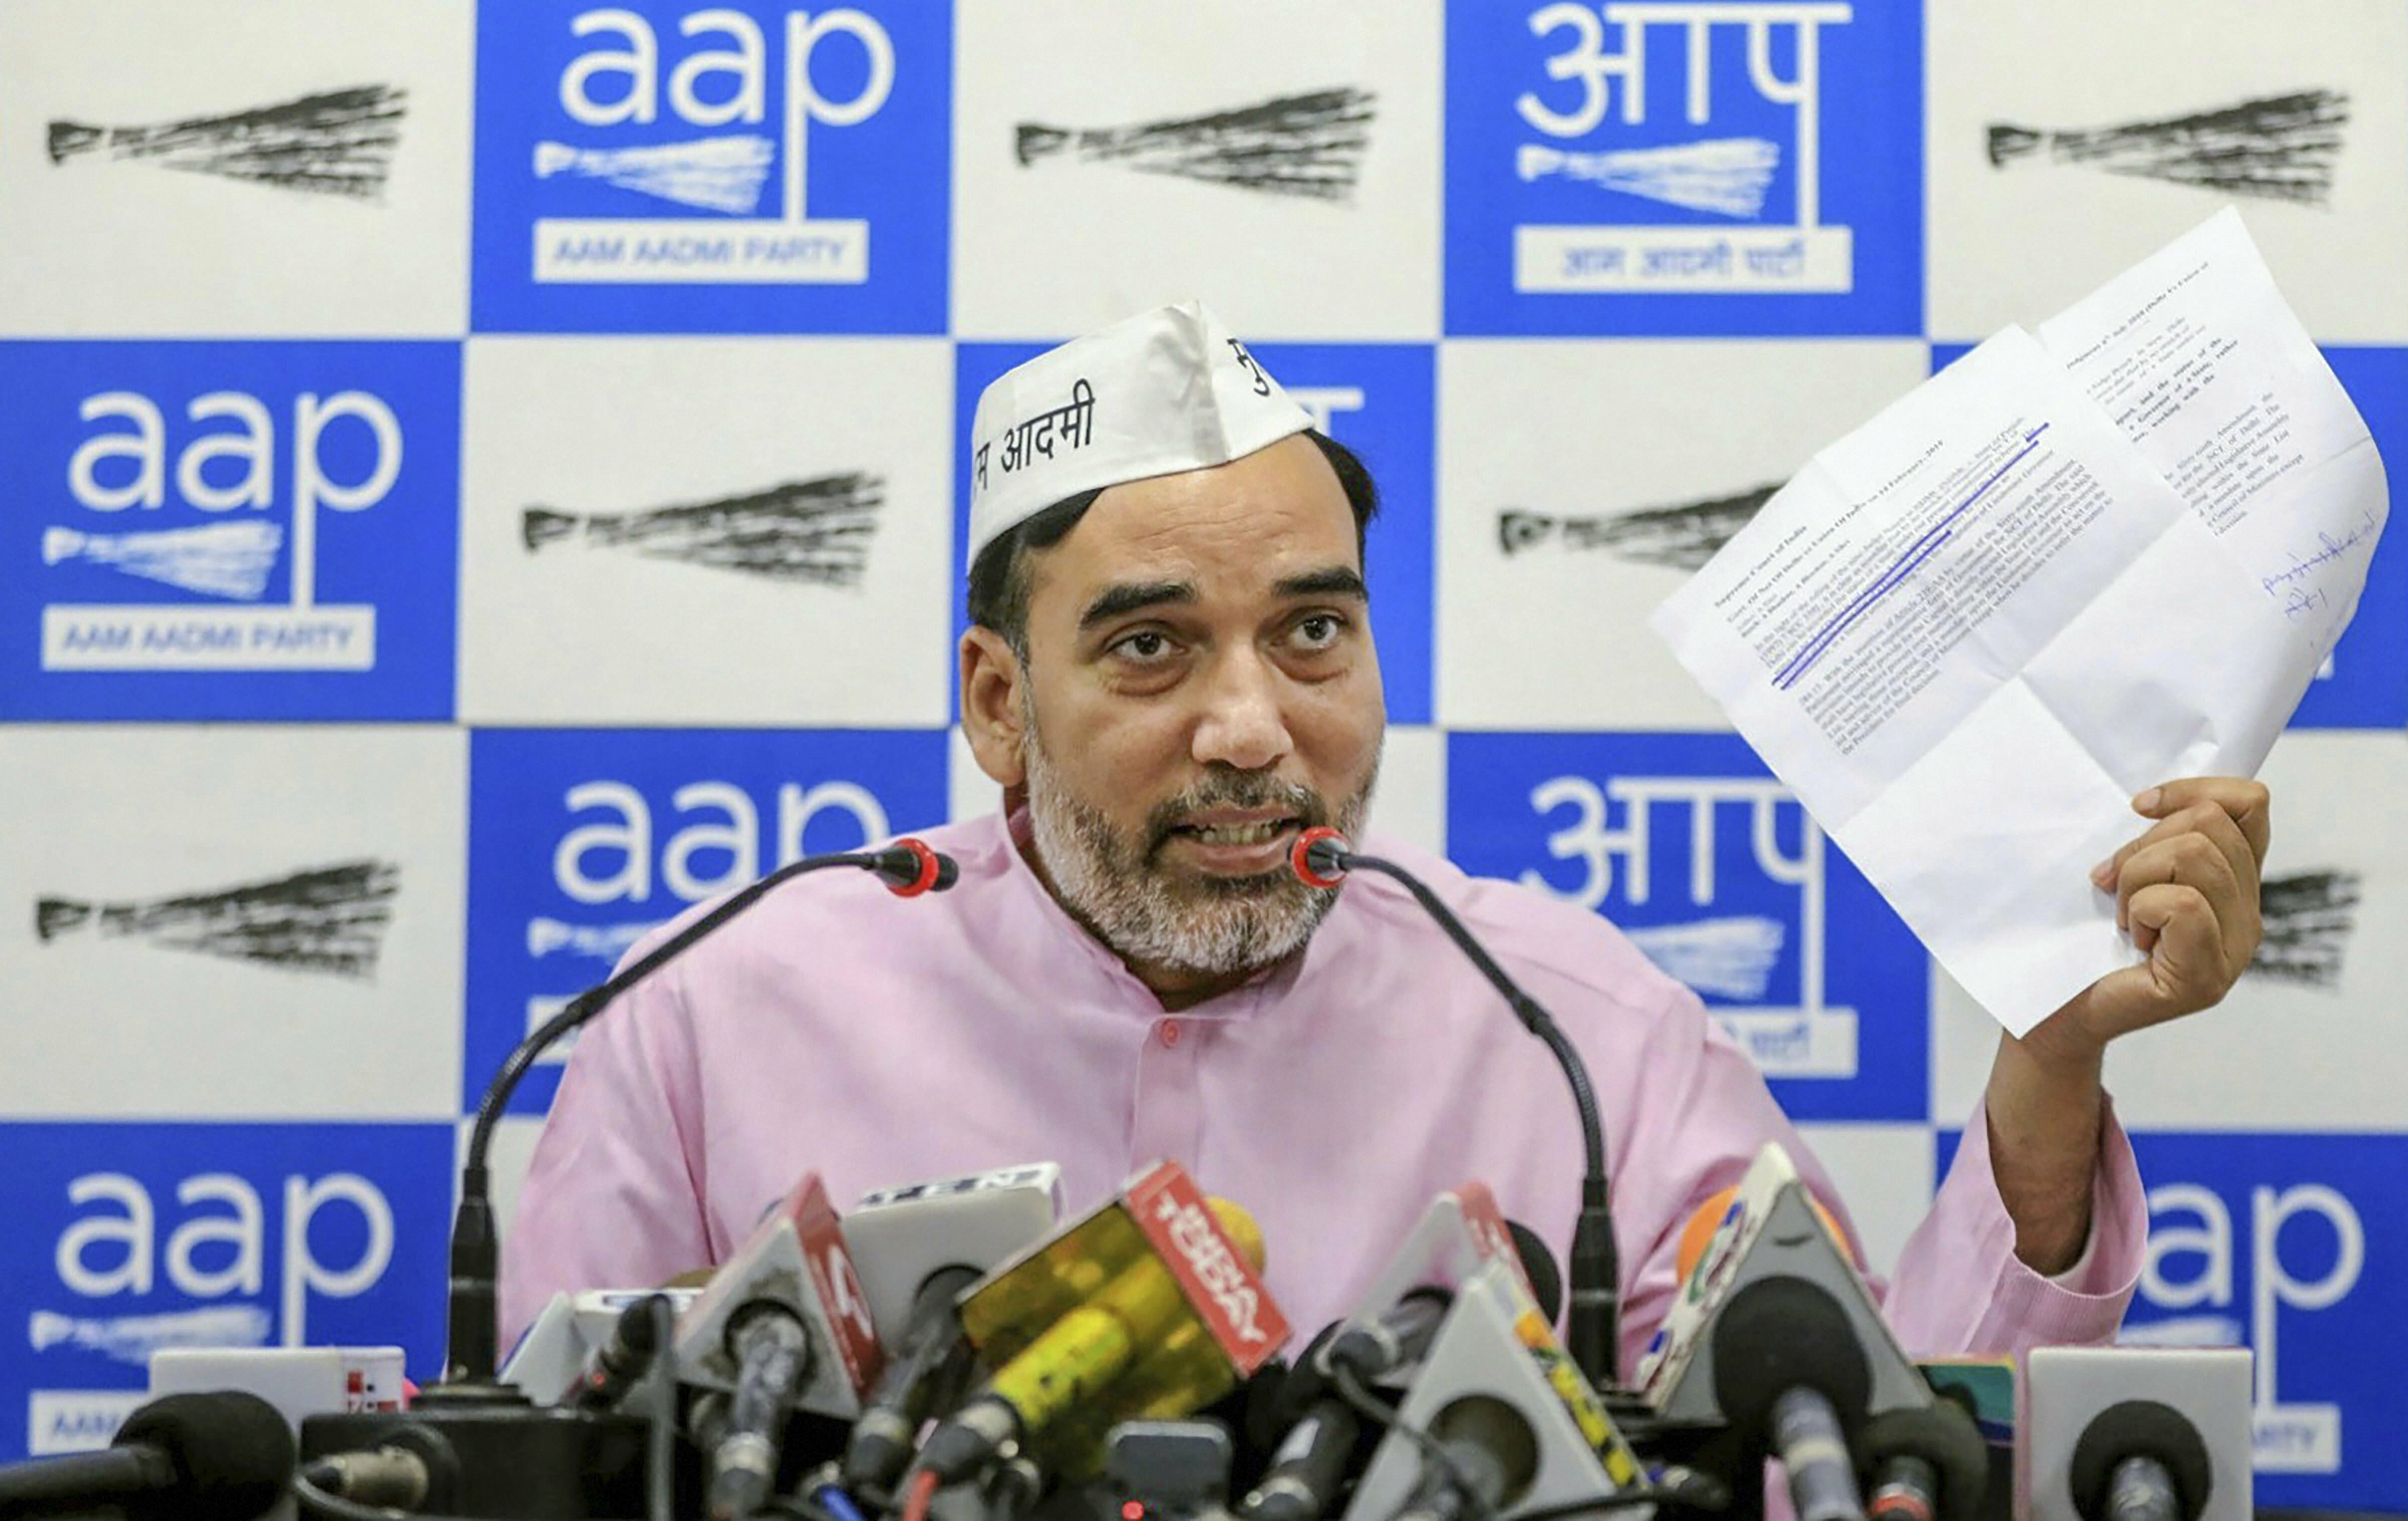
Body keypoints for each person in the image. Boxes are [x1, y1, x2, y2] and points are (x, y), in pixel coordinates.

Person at [501, 302, 2271, 1376]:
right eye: (1149, 646)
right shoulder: (715, 1017)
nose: (1255, 726)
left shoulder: (1570, 1028)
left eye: (1313, 633)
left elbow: (1846, 1449)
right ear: (992, 702)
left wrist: (2049, 1069)